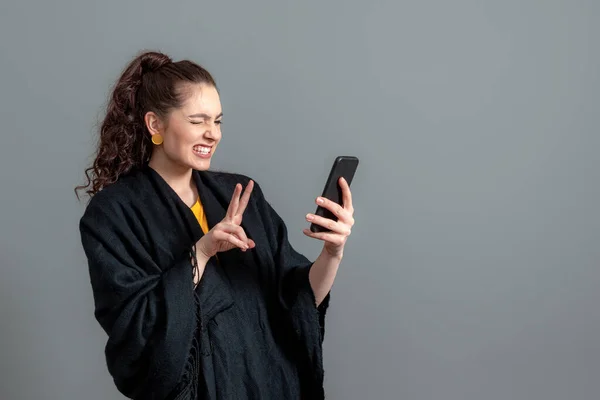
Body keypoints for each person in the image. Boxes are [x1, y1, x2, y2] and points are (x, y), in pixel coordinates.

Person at [75, 50, 355, 400]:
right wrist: (202, 252)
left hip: (272, 385)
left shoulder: (240, 193)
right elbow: (135, 330)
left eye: (218, 121)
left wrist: (332, 251)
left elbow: (297, 300)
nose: (212, 134)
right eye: (197, 121)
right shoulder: (115, 213)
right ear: (155, 125)